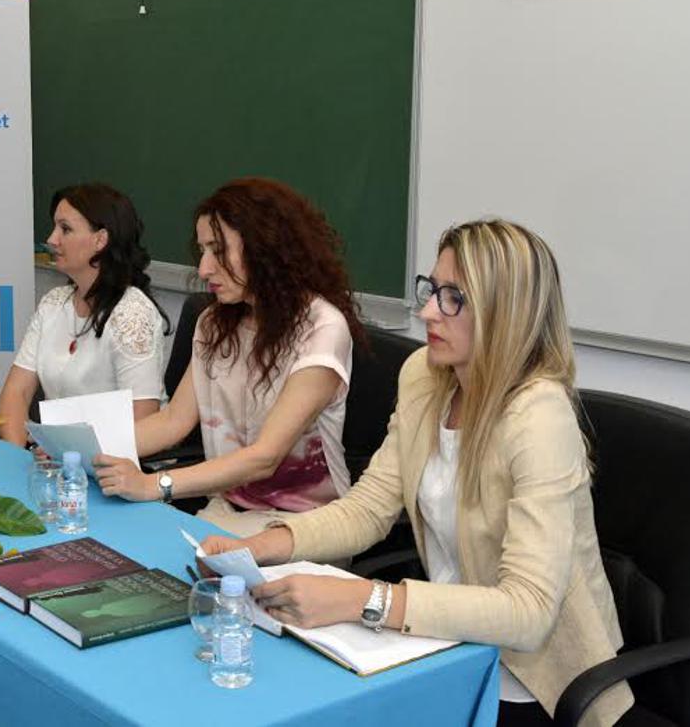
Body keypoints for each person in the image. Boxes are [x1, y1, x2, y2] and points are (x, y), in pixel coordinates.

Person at [200, 219, 634, 727]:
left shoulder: (539, 417)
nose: (428, 311)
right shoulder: (426, 377)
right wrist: (262, 546)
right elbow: (368, 510)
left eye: (454, 298)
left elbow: (529, 610)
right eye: (432, 289)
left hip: (538, 681)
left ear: (505, 312)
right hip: (446, 641)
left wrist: (365, 598)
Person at [95, 178, 364, 537]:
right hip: (228, 510)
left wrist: (153, 485)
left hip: (302, 526)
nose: (204, 268)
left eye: (218, 250)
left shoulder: (322, 328)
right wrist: (85, 449)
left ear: (265, 249)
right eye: (203, 250)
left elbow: (265, 457)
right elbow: (173, 421)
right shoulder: (214, 323)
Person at [0, 184, 169, 446]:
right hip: (57, 456)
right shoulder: (53, 303)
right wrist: (16, 453)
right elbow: (15, 393)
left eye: (65, 229)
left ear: (100, 240)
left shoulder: (132, 314)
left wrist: (67, 454)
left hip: (119, 460)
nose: (51, 239)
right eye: (54, 227)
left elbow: (142, 420)